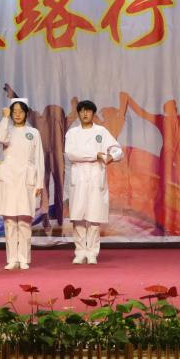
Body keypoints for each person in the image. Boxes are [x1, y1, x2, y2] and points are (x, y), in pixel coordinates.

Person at [0, 98, 46, 270]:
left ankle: (24, 258)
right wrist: (4, 118)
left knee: (25, 221)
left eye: (21, 111)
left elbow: (39, 158)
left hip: (26, 178)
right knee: (10, 221)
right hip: (9, 179)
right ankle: (12, 258)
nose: (17, 114)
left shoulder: (33, 132)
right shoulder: (7, 129)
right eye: (14, 112)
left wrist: (39, 183)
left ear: (26, 113)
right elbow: (0, 137)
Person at [64, 99, 123, 264]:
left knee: (93, 217)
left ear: (93, 113)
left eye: (88, 111)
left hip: (96, 178)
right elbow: (71, 154)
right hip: (79, 178)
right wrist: (95, 155)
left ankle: (92, 253)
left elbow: (118, 150)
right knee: (78, 218)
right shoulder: (72, 133)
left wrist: (112, 156)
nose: (85, 114)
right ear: (78, 113)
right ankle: (79, 252)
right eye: (82, 111)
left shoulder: (101, 131)